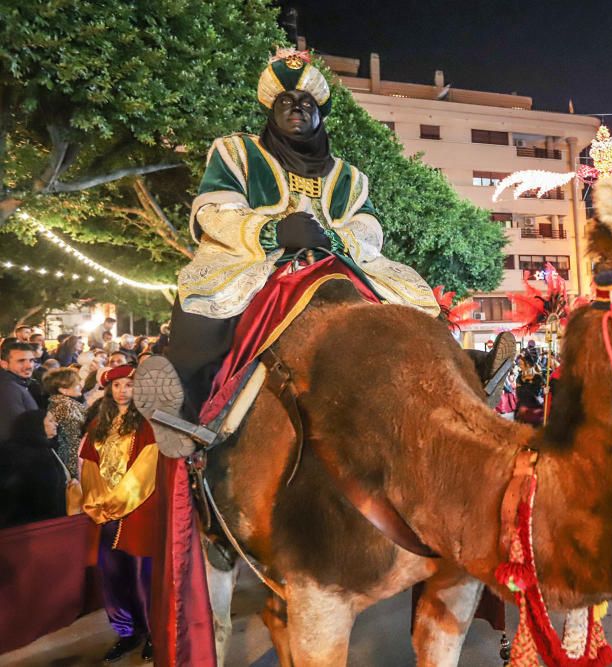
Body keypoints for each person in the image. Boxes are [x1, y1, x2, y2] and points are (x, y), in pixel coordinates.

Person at [134, 49, 512, 453]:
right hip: (257, 262)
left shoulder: (349, 176)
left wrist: (332, 239)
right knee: (205, 310)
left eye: (307, 103)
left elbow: (368, 228)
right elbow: (213, 210)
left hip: (334, 261)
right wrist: (273, 231)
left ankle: (467, 373)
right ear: (270, 110)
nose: (297, 109)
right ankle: (185, 411)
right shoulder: (236, 154)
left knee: (415, 304)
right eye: (286, 102)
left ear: (319, 114)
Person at [80, 364, 159, 663]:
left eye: (128, 385)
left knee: (142, 576)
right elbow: (89, 466)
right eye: (117, 386)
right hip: (105, 514)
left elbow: (146, 469)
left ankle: (152, 632)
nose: (123, 390)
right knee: (112, 575)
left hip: (138, 510)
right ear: (109, 390)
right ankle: (127, 633)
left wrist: (117, 503)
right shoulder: (98, 424)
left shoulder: (148, 425)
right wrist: (96, 502)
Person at [0, 409, 65, 529]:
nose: (56, 424)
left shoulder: (46, 447)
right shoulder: (27, 454)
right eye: (50, 421)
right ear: (36, 426)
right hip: (31, 526)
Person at [44, 367, 87, 480]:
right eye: (76, 384)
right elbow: (74, 438)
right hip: (74, 459)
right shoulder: (65, 406)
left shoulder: (56, 403)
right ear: (64, 390)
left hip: (67, 456)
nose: (81, 386)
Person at [0, 341, 39, 442]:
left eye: (31, 360)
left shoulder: (17, 384)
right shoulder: (8, 389)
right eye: (21, 361)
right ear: (4, 364)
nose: (29, 366)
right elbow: (13, 431)